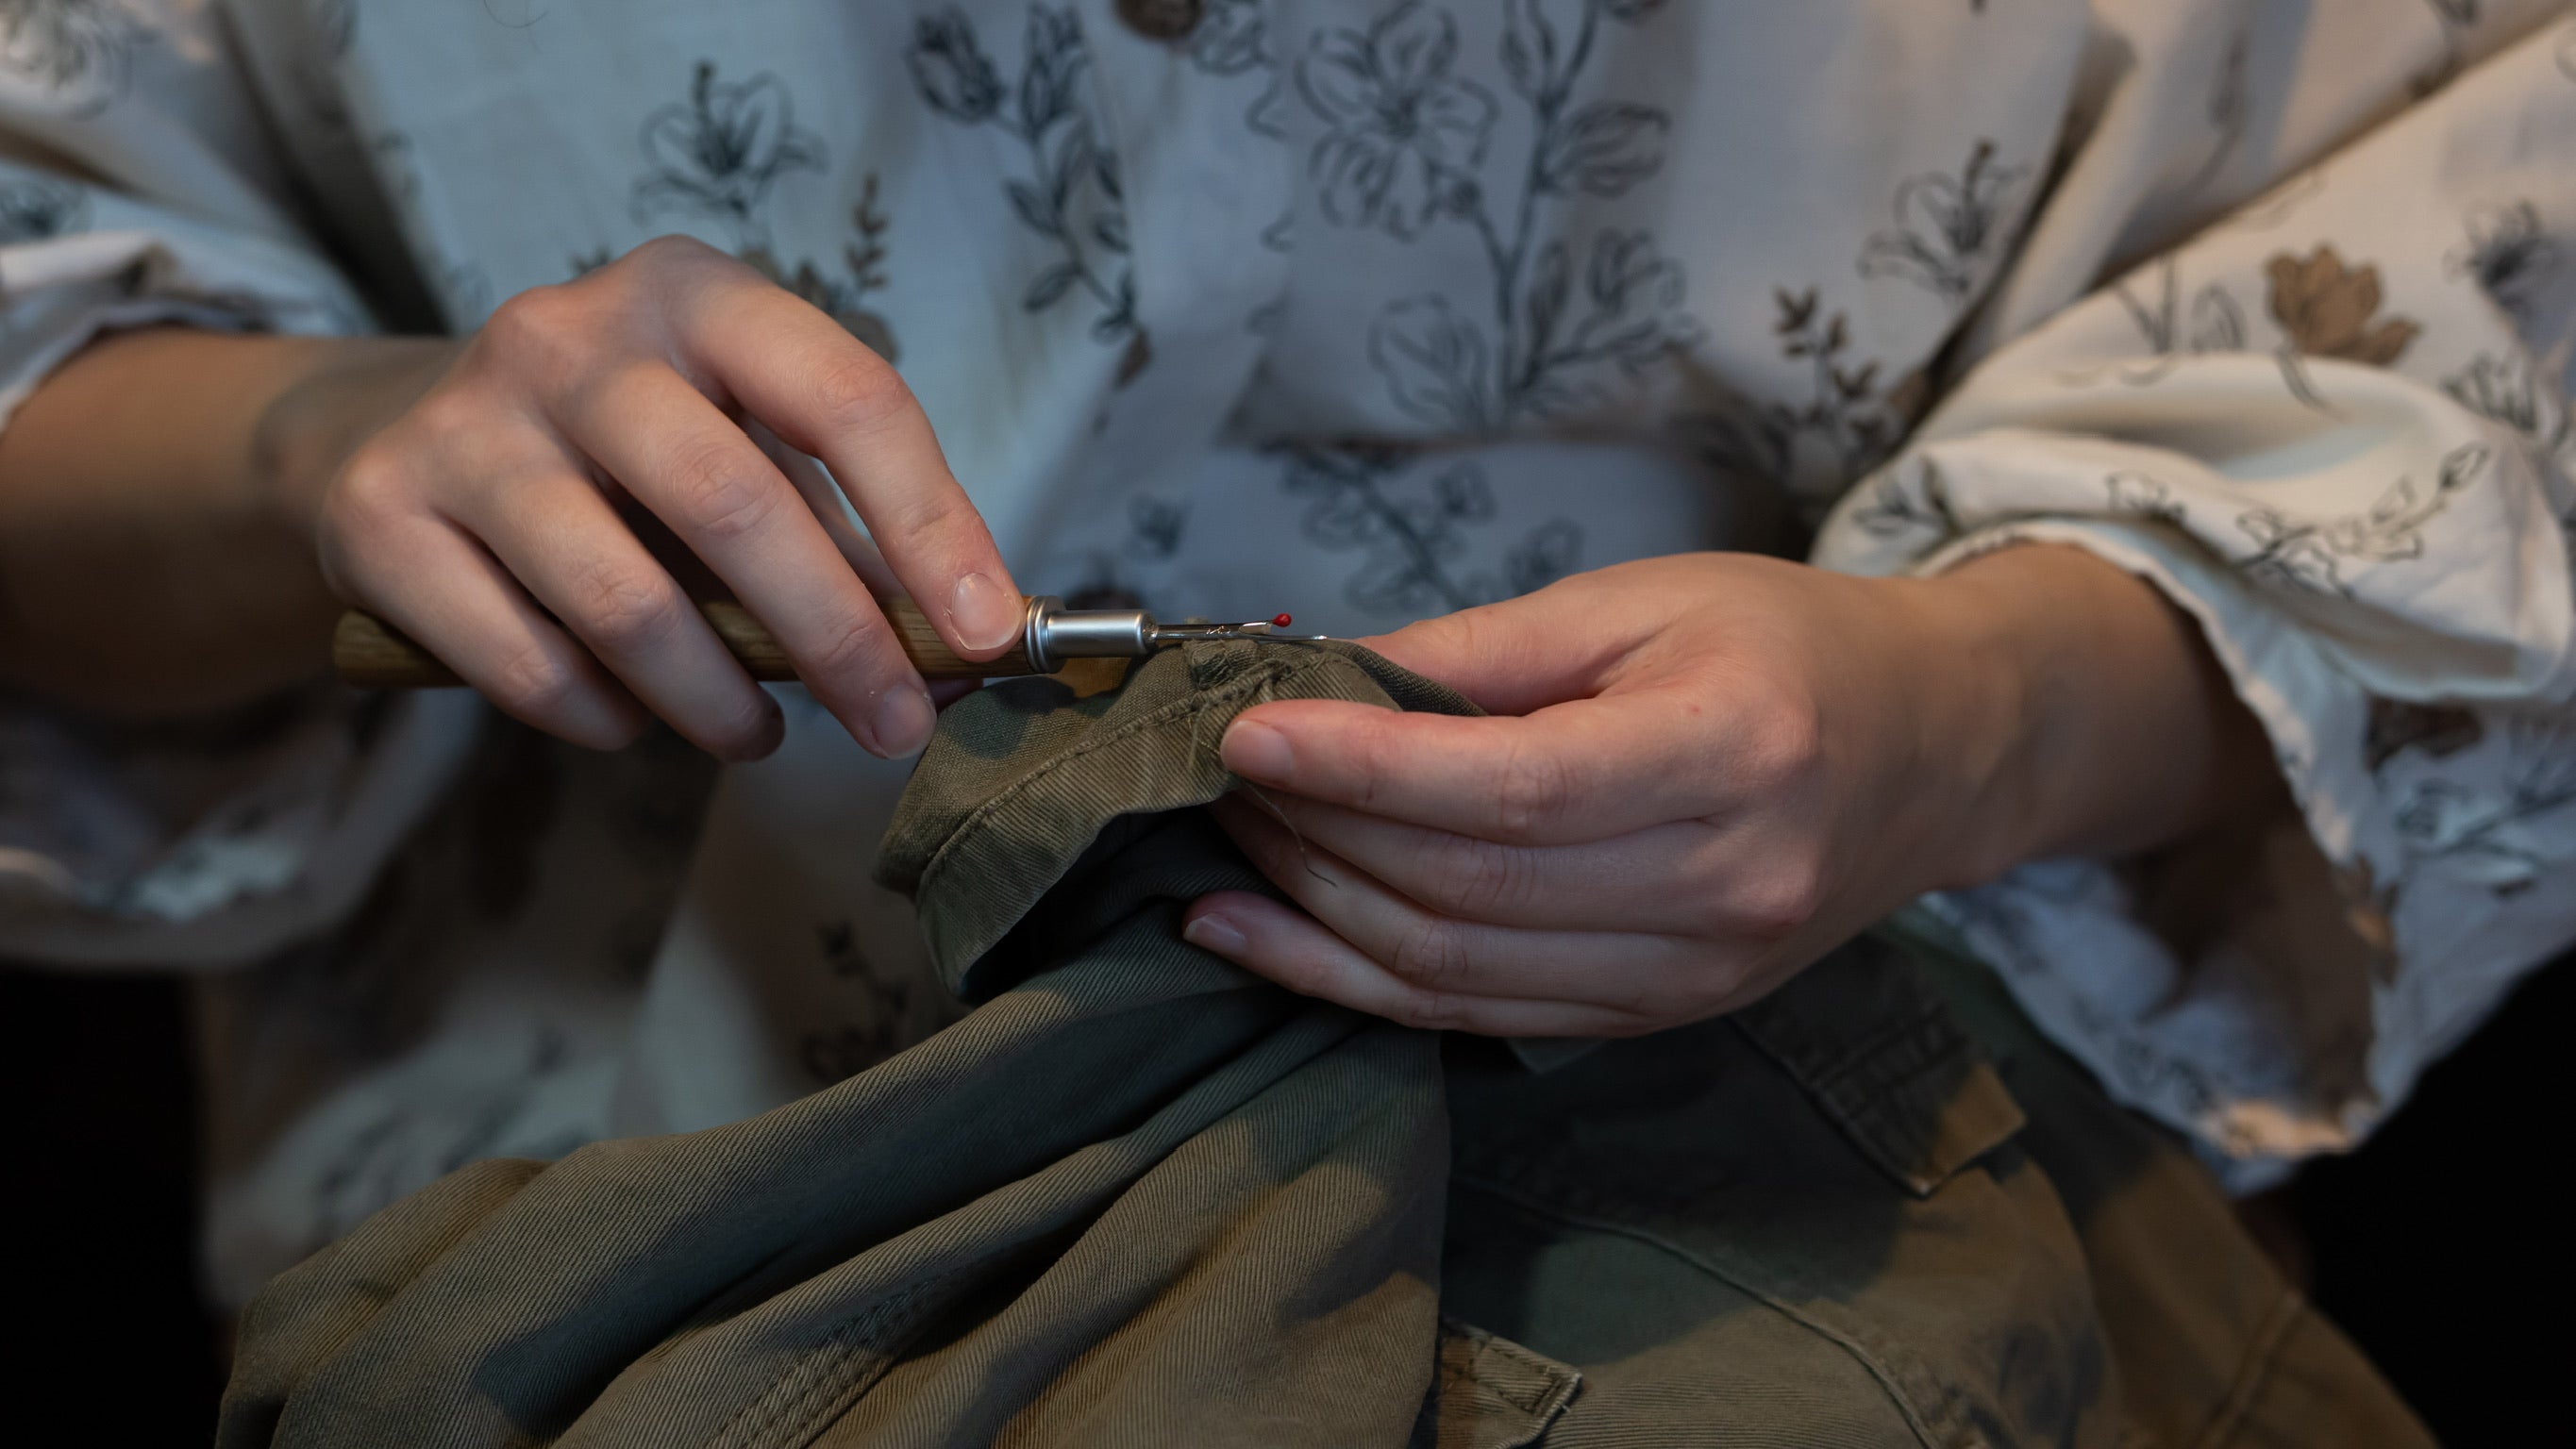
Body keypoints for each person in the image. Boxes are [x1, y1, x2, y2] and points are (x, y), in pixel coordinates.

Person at [1, 0, 2569, 1354]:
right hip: (596, 1249)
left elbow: (2503, 364)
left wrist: (1978, 711)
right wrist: (321, 452)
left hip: (1830, 1275)